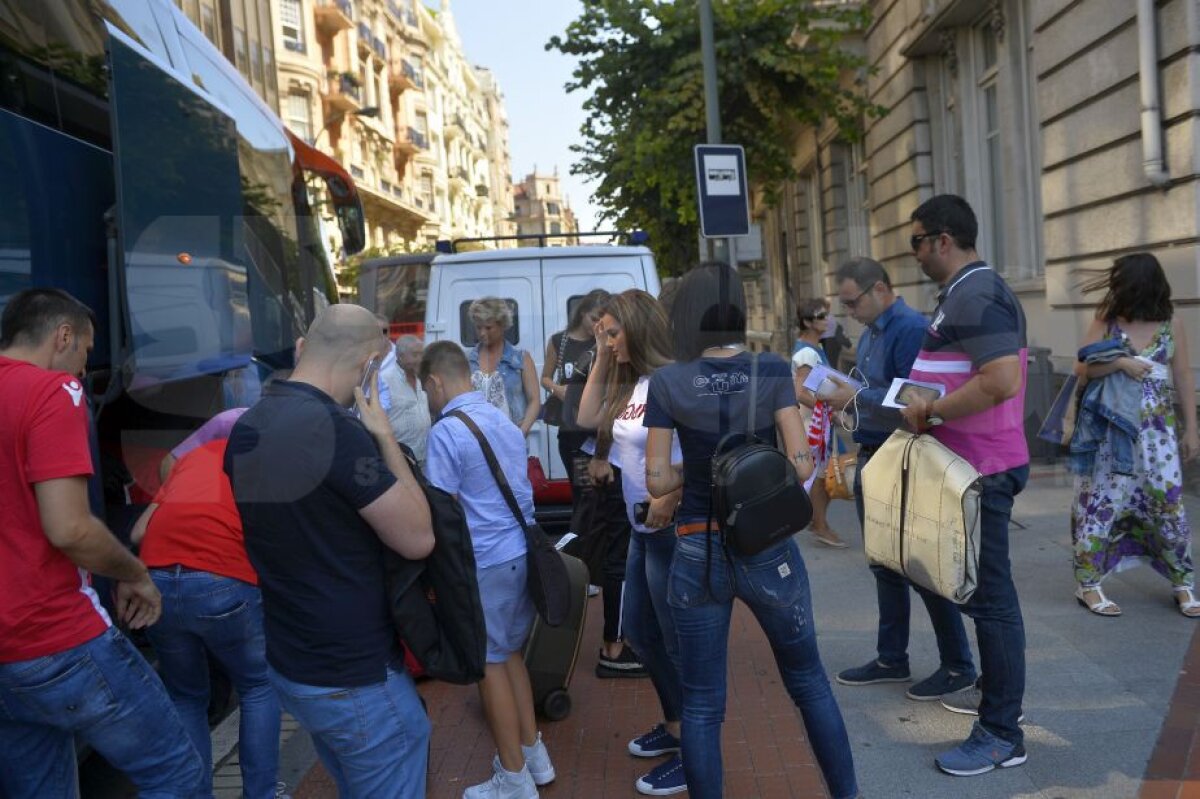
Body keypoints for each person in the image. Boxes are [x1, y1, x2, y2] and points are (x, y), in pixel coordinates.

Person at [644, 263, 858, 799]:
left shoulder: (669, 380)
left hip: (695, 545)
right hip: (766, 547)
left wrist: (693, 473)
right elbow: (802, 466)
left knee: (701, 703)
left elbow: (654, 479)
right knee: (809, 683)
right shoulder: (770, 369)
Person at [224, 304, 435, 799]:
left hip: (295, 661)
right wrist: (383, 436)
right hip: (353, 672)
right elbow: (417, 536)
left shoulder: (249, 423)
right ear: (368, 365)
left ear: (304, 348)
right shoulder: (339, 433)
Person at [0, 288, 204, 798]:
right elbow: (69, 528)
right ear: (62, 336)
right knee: (176, 773)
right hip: (55, 636)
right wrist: (135, 575)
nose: (81, 370)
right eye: (86, 352)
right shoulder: (53, 392)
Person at [897, 194, 1030, 777]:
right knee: (978, 595)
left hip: (983, 470)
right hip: (967, 468)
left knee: (992, 602)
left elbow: (1002, 379)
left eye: (917, 242)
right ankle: (994, 699)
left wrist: (933, 413)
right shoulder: (965, 292)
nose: (916, 254)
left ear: (943, 240)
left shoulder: (979, 292)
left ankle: (1002, 731)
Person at [824, 256, 977, 701]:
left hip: (902, 457)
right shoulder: (875, 329)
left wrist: (857, 397)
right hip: (878, 454)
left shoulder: (908, 327)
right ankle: (892, 657)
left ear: (879, 289)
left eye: (853, 302)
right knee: (884, 563)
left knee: (920, 567)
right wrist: (848, 400)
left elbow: (916, 401)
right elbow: (878, 392)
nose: (849, 312)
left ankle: (957, 664)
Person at [421, 341, 554, 799]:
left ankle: (514, 778)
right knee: (510, 653)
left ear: (436, 381)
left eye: (427, 390)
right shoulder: (501, 416)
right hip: (520, 551)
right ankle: (533, 756)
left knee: (488, 663)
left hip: (485, 559)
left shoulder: (446, 432)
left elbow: (442, 509)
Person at [576, 289, 687, 795]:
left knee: (674, 641)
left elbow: (706, 454)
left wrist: (675, 492)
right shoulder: (632, 381)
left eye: (614, 332)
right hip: (641, 531)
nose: (608, 340)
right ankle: (674, 725)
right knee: (641, 635)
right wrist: (600, 353)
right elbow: (584, 418)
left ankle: (691, 746)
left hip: (672, 533)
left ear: (638, 329)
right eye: (604, 333)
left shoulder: (672, 379)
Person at [132, 435, 281, 799]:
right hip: (222, 580)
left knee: (185, 696)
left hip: (157, 583)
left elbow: (138, 532)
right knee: (259, 686)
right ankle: (260, 794)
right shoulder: (270, 461)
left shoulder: (193, 458)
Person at [1069, 253, 1198, 617]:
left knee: (1168, 503)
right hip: (1113, 433)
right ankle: (1088, 584)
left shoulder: (1172, 323)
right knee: (1103, 503)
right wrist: (1120, 362)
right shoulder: (1107, 320)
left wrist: (1192, 429)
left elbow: (1184, 376)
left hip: (1158, 435)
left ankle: (1182, 584)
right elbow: (1082, 367)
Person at [542, 289, 609, 503]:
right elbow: (545, 377)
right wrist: (557, 390)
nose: (597, 326)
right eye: (594, 319)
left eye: (603, 321)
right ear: (582, 313)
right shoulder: (559, 341)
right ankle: (584, 533)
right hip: (572, 430)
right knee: (584, 493)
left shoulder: (604, 342)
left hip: (599, 432)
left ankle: (590, 532)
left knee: (602, 493)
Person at [791, 298, 848, 548]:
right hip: (812, 425)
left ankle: (817, 521)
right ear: (807, 322)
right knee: (822, 475)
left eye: (827, 315)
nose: (827, 320)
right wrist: (827, 409)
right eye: (821, 316)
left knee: (826, 473)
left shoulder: (816, 348)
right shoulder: (806, 352)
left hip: (819, 422)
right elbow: (800, 392)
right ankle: (820, 524)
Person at [467, 297, 540, 434]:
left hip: (510, 439)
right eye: (478, 327)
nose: (482, 333)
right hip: (475, 441)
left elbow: (534, 400)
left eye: (488, 327)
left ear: (502, 325)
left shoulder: (521, 359)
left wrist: (521, 432)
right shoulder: (467, 360)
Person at [381, 334, 433, 465]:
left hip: (425, 457)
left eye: (422, 354)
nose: (421, 359)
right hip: (400, 460)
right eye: (415, 355)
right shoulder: (384, 381)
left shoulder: (423, 378)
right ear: (400, 356)